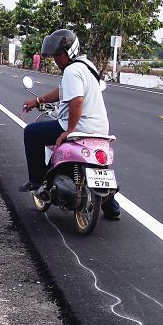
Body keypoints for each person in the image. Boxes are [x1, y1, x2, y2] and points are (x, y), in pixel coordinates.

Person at [20, 29, 121, 220]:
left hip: (79, 127)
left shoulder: (72, 71)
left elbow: (76, 101)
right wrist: (38, 100)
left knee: (31, 132)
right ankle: (112, 207)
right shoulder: (86, 65)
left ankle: (37, 182)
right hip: (100, 129)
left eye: (59, 54)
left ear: (70, 51)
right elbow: (62, 91)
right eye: (54, 55)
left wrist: (69, 130)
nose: (56, 59)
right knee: (97, 166)